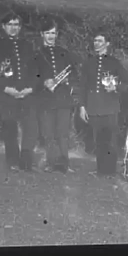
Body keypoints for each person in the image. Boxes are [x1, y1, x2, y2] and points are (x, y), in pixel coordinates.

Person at [0, 12, 40, 172]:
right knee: (10, 128)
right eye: (10, 24)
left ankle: (27, 161)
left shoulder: (27, 45)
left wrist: (30, 88)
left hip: (27, 93)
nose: (13, 28)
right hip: (7, 94)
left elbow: (35, 70)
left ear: (20, 27)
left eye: (16, 24)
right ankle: (13, 161)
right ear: (4, 26)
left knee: (30, 128)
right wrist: (5, 88)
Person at [78, 31, 128, 176]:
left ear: (107, 44)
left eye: (100, 41)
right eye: (95, 41)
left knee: (111, 142)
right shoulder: (89, 63)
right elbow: (82, 87)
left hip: (110, 107)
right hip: (94, 107)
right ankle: (101, 170)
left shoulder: (114, 63)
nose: (96, 43)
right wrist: (82, 107)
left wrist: (116, 87)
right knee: (98, 142)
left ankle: (111, 170)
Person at [35, 18, 80, 173]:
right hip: (45, 100)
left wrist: (67, 81)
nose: (51, 36)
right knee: (48, 134)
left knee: (62, 133)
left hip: (62, 99)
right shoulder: (37, 54)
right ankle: (51, 163)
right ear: (42, 34)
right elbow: (31, 77)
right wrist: (43, 82)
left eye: (53, 33)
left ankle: (64, 164)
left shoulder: (64, 53)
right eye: (48, 33)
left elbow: (74, 74)